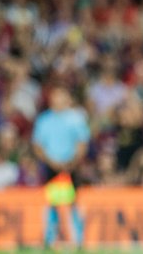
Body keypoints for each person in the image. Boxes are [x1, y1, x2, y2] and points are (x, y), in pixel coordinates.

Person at [32, 84, 90, 249]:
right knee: (53, 203)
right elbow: (38, 146)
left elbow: (82, 143)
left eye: (61, 96)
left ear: (68, 99)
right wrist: (52, 162)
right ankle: (49, 240)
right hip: (51, 167)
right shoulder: (44, 119)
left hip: (71, 167)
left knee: (73, 202)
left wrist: (71, 162)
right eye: (55, 96)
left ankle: (78, 241)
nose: (57, 99)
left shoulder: (76, 118)